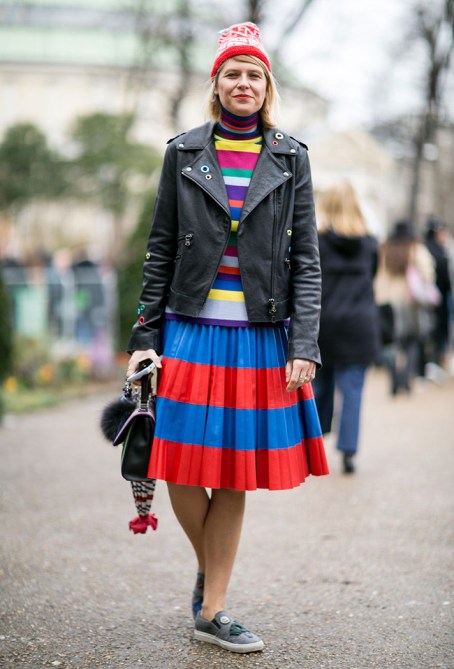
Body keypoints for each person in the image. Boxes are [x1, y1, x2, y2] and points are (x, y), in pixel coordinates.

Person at [125, 22, 329, 654]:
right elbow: (160, 249)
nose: (244, 83)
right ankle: (210, 566)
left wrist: (304, 343)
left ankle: (212, 608)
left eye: (254, 74)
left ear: (267, 87)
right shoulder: (183, 152)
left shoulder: (291, 157)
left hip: (260, 334)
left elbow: (308, 259)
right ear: (216, 85)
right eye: (232, 73)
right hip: (188, 329)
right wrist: (144, 336)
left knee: (234, 472)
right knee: (181, 463)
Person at [312, 182, 380, 474]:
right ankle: (348, 451)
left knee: (318, 387)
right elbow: (373, 275)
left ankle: (314, 444)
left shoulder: (316, 242)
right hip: (359, 325)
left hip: (325, 323)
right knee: (352, 390)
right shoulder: (370, 243)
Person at [375, 220, 436, 393]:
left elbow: (378, 276)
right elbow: (428, 273)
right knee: (413, 341)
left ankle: (394, 381)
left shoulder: (385, 249)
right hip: (410, 302)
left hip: (388, 302)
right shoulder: (415, 249)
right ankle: (406, 378)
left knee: (391, 343)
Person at [424, 217, 452, 372]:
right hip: (434, 300)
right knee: (435, 333)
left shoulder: (435, 249)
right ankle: (433, 363)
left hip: (437, 299)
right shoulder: (435, 252)